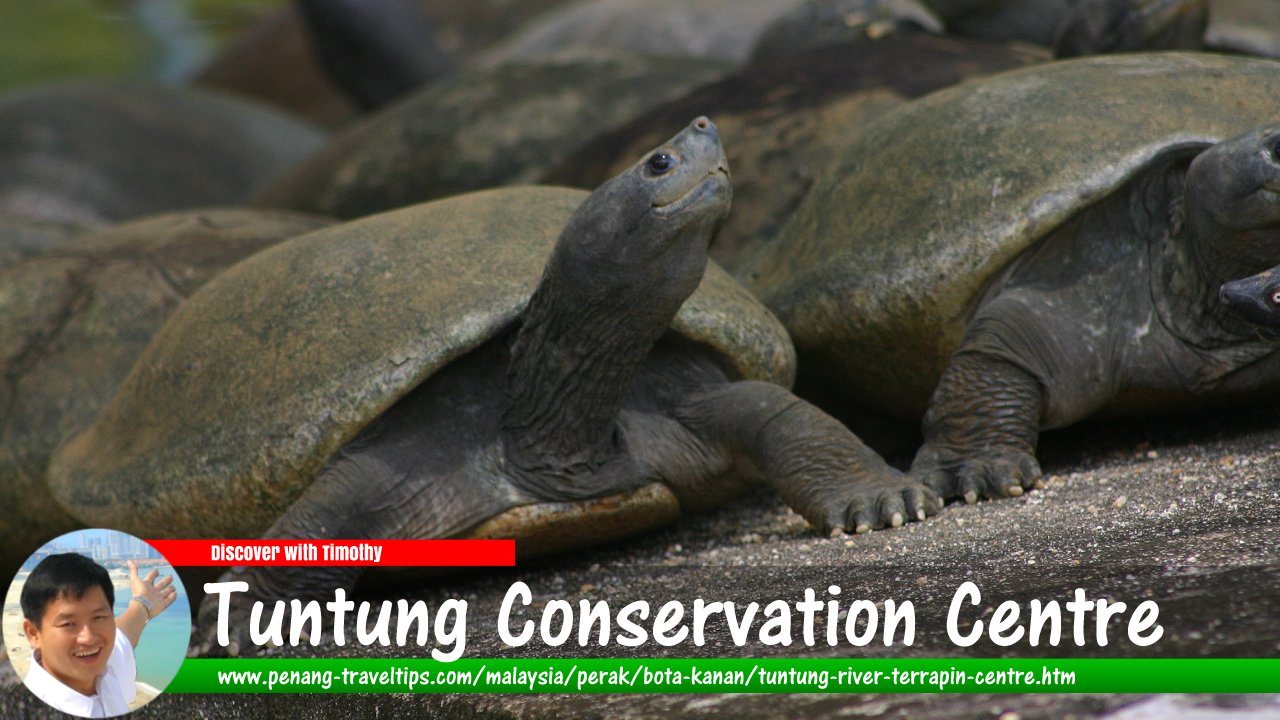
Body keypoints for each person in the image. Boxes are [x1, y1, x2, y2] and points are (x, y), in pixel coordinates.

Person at [19, 553, 177, 718]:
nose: (89, 638)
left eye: (98, 617)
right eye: (68, 624)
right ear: (33, 633)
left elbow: (123, 635)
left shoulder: (105, 668)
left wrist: (144, 602)